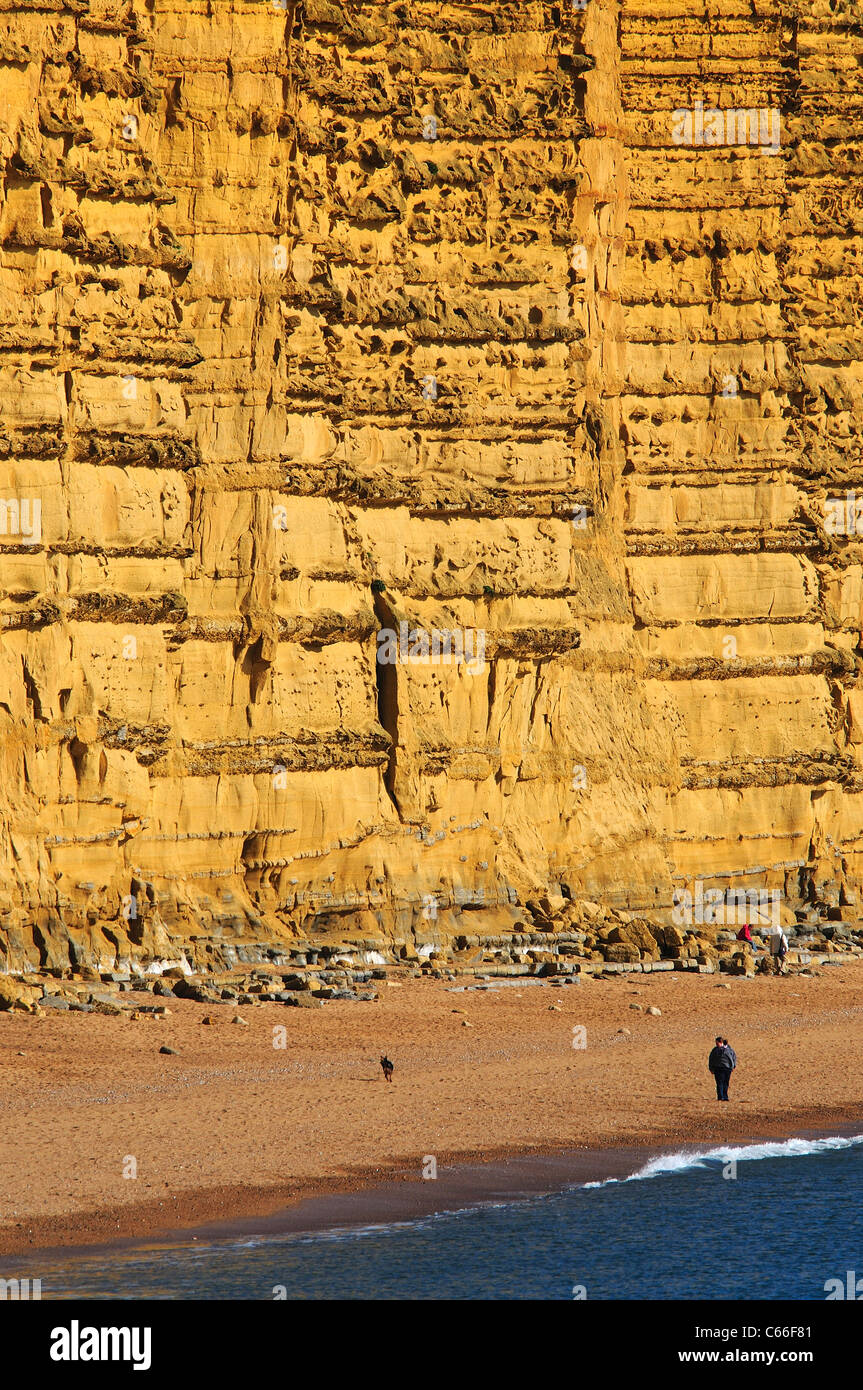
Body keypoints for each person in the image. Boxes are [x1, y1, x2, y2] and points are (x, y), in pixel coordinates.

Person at [708, 1035, 734, 1101]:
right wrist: (711, 1068)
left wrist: (733, 1066)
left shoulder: (729, 1049)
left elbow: (733, 1058)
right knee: (719, 1083)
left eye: (717, 1043)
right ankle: (720, 1097)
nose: (716, 1045)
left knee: (726, 1083)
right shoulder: (715, 1050)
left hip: (727, 1068)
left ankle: (725, 1097)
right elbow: (711, 1059)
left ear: (721, 1042)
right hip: (718, 1068)